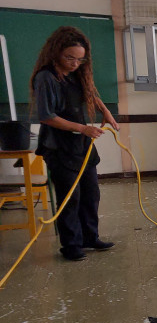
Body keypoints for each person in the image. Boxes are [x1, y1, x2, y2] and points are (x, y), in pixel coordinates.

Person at [30, 26, 119, 261]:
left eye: (80, 59)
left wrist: (105, 110)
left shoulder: (76, 74)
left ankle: (90, 237)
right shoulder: (46, 77)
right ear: (56, 52)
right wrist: (83, 128)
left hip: (82, 145)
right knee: (70, 197)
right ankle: (70, 245)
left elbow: (90, 93)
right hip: (59, 147)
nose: (74, 63)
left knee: (91, 194)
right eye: (70, 57)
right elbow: (46, 116)